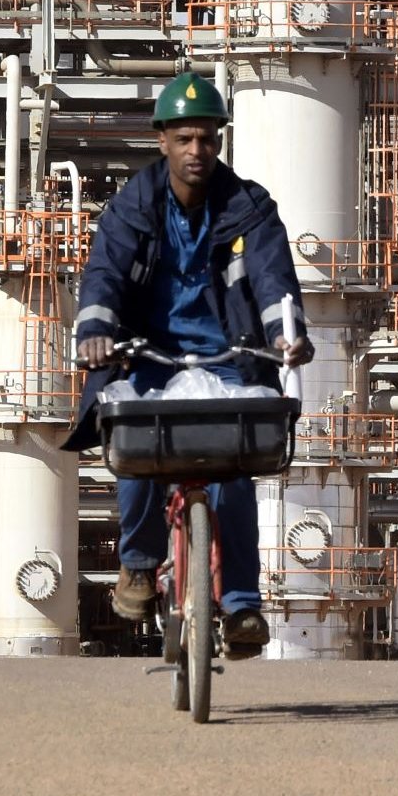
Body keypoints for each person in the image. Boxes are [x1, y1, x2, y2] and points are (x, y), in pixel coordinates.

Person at [61, 72, 313, 660]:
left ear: (220, 142)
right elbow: (105, 275)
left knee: (234, 469)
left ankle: (243, 605)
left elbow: (274, 278)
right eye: (184, 139)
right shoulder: (131, 207)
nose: (196, 151)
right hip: (147, 350)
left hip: (231, 354)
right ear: (162, 142)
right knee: (135, 445)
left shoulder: (249, 208)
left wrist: (286, 335)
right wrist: (97, 332)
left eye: (207, 139)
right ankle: (140, 566)